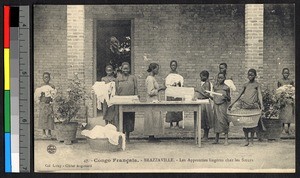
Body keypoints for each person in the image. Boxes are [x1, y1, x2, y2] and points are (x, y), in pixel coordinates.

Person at [229, 69, 264, 146]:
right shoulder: (245, 85)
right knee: (244, 123)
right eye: (249, 75)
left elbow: (259, 95)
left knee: (252, 124)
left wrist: (262, 105)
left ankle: (251, 141)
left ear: (255, 75)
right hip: (245, 106)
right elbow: (239, 95)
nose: (250, 76)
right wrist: (232, 103)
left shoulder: (257, 85)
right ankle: (246, 140)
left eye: (251, 75)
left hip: (253, 107)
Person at [116, 62, 138, 142]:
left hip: (131, 101)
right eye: (124, 68)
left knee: (130, 118)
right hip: (121, 101)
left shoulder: (133, 77)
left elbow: (136, 88)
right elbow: (115, 90)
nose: (126, 70)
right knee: (122, 118)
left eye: (127, 68)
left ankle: (128, 136)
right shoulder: (118, 78)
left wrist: (136, 97)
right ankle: (122, 136)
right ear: (121, 69)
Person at [145, 63, 166, 142]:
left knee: (154, 118)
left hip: (154, 100)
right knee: (152, 118)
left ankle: (152, 136)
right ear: (153, 69)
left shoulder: (152, 78)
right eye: (157, 69)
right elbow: (150, 92)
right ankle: (151, 137)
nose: (158, 70)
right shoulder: (150, 79)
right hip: (151, 101)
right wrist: (160, 89)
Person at [194, 70, 214, 141]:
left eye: (204, 76)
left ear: (207, 77)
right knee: (201, 119)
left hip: (205, 102)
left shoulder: (207, 83)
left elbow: (207, 94)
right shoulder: (201, 83)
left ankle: (206, 136)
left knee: (206, 119)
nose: (202, 77)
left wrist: (199, 90)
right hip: (200, 101)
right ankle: (202, 135)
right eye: (201, 76)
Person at [212, 72, 231, 145]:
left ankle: (226, 139)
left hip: (223, 105)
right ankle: (216, 139)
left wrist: (226, 96)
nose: (220, 79)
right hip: (216, 105)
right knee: (216, 121)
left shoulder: (226, 87)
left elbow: (229, 99)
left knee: (223, 120)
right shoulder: (215, 87)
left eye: (221, 78)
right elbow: (213, 96)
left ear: (224, 78)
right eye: (219, 78)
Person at [36, 72, 56, 138]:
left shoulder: (52, 86)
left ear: (49, 78)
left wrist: (52, 101)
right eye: (45, 77)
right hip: (43, 104)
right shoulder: (40, 86)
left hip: (49, 104)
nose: (46, 79)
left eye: (47, 77)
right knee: (43, 118)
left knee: (50, 118)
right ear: (43, 78)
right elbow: (38, 96)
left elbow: (53, 95)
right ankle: (43, 132)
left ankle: (49, 132)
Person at [165, 60, 184, 128]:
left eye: (175, 65)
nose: (173, 67)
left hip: (177, 93)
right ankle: (171, 123)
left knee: (177, 107)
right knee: (171, 108)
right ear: (170, 66)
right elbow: (167, 85)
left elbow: (181, 84)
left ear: (176, 66)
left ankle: (177, 123)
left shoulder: (179, 76)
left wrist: (178, 84)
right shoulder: (168, 76)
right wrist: (171, 85)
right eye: (172, 65)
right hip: (170, 93)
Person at [278, 68, 294, 134]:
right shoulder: (280, 81)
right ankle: (283, 129)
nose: (286, 74)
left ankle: (289, 129)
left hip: (289, 99)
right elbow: (278, 90)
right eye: (284, 73)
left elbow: (293, 90)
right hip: (283, 99)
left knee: (289, 114)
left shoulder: (291, 81)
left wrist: (291, 97)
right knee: (283, 114)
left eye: (287, 73)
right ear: (282, 73)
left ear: (289, 74)